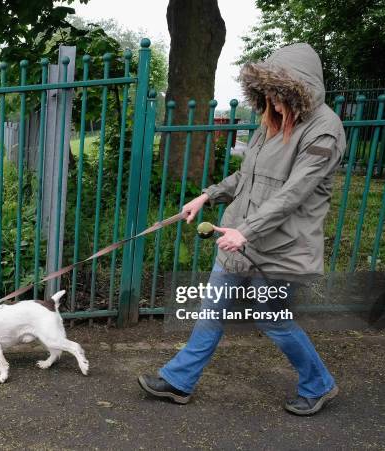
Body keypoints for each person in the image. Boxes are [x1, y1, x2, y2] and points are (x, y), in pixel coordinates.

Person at [138, 43, 346, 416]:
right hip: (239, 238)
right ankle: (178, 381)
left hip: (281, 245)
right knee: (212, 310)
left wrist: (246, 230)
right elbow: (246, 176)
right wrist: (207, 196)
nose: (273, 105)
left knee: (272, 319)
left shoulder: (324, 131)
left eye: (279, 97)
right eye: (268, 97)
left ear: (300, 91)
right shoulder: (272, 123)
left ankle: (319, 384)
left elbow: (293, 193)